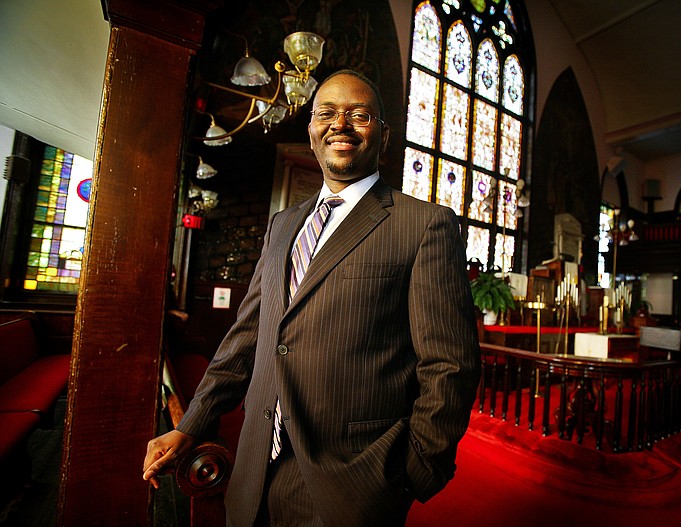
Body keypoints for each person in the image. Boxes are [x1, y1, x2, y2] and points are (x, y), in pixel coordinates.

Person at [143, 69, 480, 527]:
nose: (340, 124)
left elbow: (449, 364)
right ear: (311, 130)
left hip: (352, 484)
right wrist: (190, 424)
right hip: (253, 468)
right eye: (327, 113)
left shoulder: (424, 225)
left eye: (359, 115)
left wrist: (414, 473)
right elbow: (247, 339)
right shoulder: (284, 224)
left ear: (382, 135)